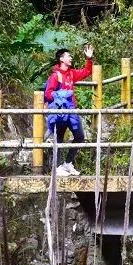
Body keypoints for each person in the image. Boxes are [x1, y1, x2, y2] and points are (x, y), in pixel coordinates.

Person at [44, 44, 94, 176]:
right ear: (61, 59)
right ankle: (57, 167)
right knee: (59, 137)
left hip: (71, 110)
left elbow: (87, 72)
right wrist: (61, 96)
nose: (71, 58)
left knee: (80, 136)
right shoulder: (55, 76)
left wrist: (89, 59)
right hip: (60, 112)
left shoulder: (71, 73)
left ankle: (67, 163)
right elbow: (48, 94)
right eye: (68, 56)